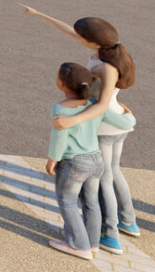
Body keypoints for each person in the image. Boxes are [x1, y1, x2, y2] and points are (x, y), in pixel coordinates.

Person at [24, 8, 142, 252]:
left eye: (81, 36)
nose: (76, 38)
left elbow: (100, 105)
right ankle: (128, 221)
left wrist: (72, 121)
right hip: (116, 119)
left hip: (107, 125)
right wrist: (41, 15)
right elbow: (68, 30)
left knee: (105, 180)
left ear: (93, 41)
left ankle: (110, 235)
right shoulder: (107, 50)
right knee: (113, 172)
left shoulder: (108, 67)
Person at [45, 61, 136, 260]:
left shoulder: (60, 109)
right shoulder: (95, 107)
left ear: (61, 84)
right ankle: (93, 242)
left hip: (74, 163)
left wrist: (53, 159)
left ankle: (79, 245)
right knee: (91, 202)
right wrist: (127, 112)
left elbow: (59, 137)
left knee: (67, 201)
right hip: (96, 160)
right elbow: (127, 122)